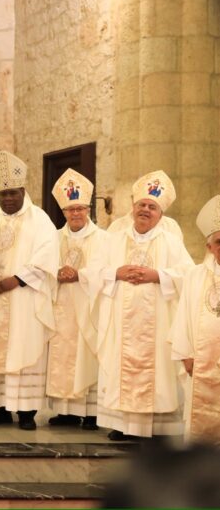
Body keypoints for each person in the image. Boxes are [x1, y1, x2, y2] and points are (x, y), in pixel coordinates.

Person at [97, 170, 193, 440]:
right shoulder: (114, 238)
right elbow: (94, 272)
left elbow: (188, 274)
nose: (146, 210)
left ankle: (157, 428)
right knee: (120, 366)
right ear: (133, 207)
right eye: (142, 205)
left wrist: (158, 276)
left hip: (158, 322)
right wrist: (116, 272)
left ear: (160, 214)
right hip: (121, 320)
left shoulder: (171, 242)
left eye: (152, 207)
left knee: (158, 370)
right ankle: (123, 425)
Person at [0, 151, 58, 431]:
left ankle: (26, 412)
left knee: (23, 351)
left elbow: (47, 255)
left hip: (24, 297)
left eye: (12, 193)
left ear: (23, 190)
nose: (8, 199)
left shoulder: (40, 219)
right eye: (2, 194)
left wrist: (18, 279)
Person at [45, 169, 107, 431]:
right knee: (61, 356)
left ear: (89, 209)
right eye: (70, 210)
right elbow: (42, 266)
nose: (76, 214)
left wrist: (79, 275)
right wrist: (55, 272)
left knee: (89, 355)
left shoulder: (104, 238)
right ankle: (66, 412)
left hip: (89, 307)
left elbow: (106, 269)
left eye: (80, 209)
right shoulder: (53, 238)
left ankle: (92, 412)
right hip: (61, 307)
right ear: (64, 212)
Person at [171, 195, 220, 443]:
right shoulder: (195, 276)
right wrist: (185, 354)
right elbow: (182, 317)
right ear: (209, 246)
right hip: (201, 364)